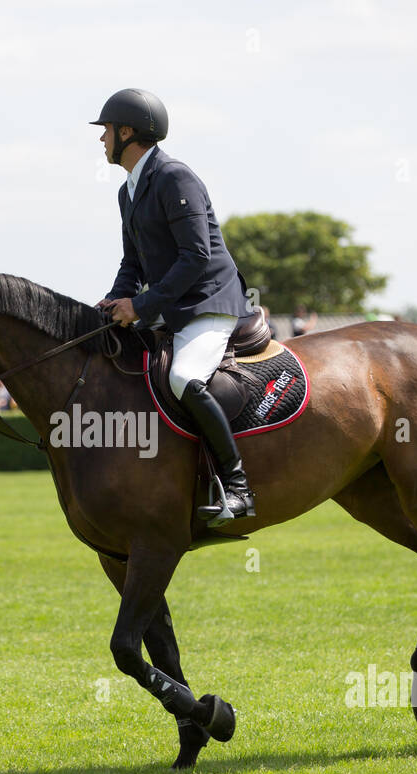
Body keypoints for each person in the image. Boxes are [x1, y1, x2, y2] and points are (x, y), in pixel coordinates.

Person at [91, 88, 258, 525]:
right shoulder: (128, 192)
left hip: (209, 303)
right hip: (172, 305)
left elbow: (196, 257)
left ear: (128, 132)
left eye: (106, 131)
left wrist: (141, 306)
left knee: (183, 378)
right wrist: (114, 301)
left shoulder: (173, 177)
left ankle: (239, 489)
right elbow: (133, 262)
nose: (101, 140)